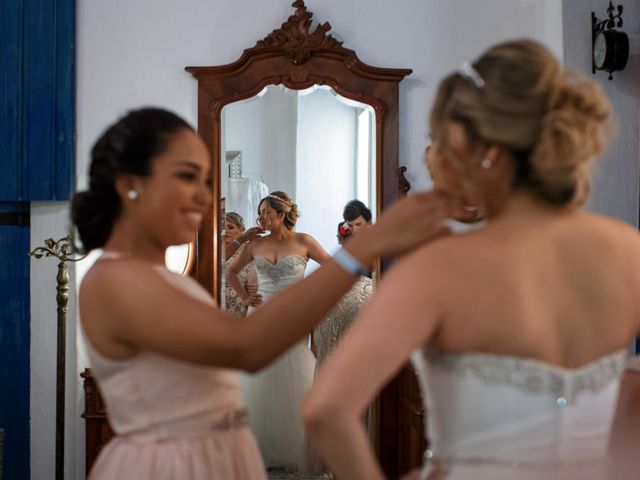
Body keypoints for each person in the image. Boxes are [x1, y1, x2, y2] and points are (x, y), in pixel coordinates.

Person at [303, 39, 640, 480]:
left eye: (445, 143)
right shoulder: (627, 249)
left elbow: (325, 411)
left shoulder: (437, 269)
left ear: (486, 152)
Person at [73, 107, 471, 479]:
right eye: (186, 176)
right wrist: (365, 247)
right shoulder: (116, 281)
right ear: (129, 185)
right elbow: (247, 348)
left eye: (206, 180)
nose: (204, 195)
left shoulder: (165, 277)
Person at [226, 191, 329, 472]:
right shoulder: (254, 245)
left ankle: (297, 447)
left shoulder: (304, 241)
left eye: (265, 212)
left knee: (293, 373)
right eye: (259, 212)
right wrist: (246, 298)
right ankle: (257, 448)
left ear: (281, 213)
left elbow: (332, 270)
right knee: (260, 377)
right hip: (260, 315)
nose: (260, 217)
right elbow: (230, 272)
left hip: (293, 316)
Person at [222, 212, 262, 317]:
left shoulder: (249, 250)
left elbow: (255, 285)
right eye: (222, 228)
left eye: (230, 227)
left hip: (241, 306)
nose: (225, 231)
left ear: (242, 229)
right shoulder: (215, 249)